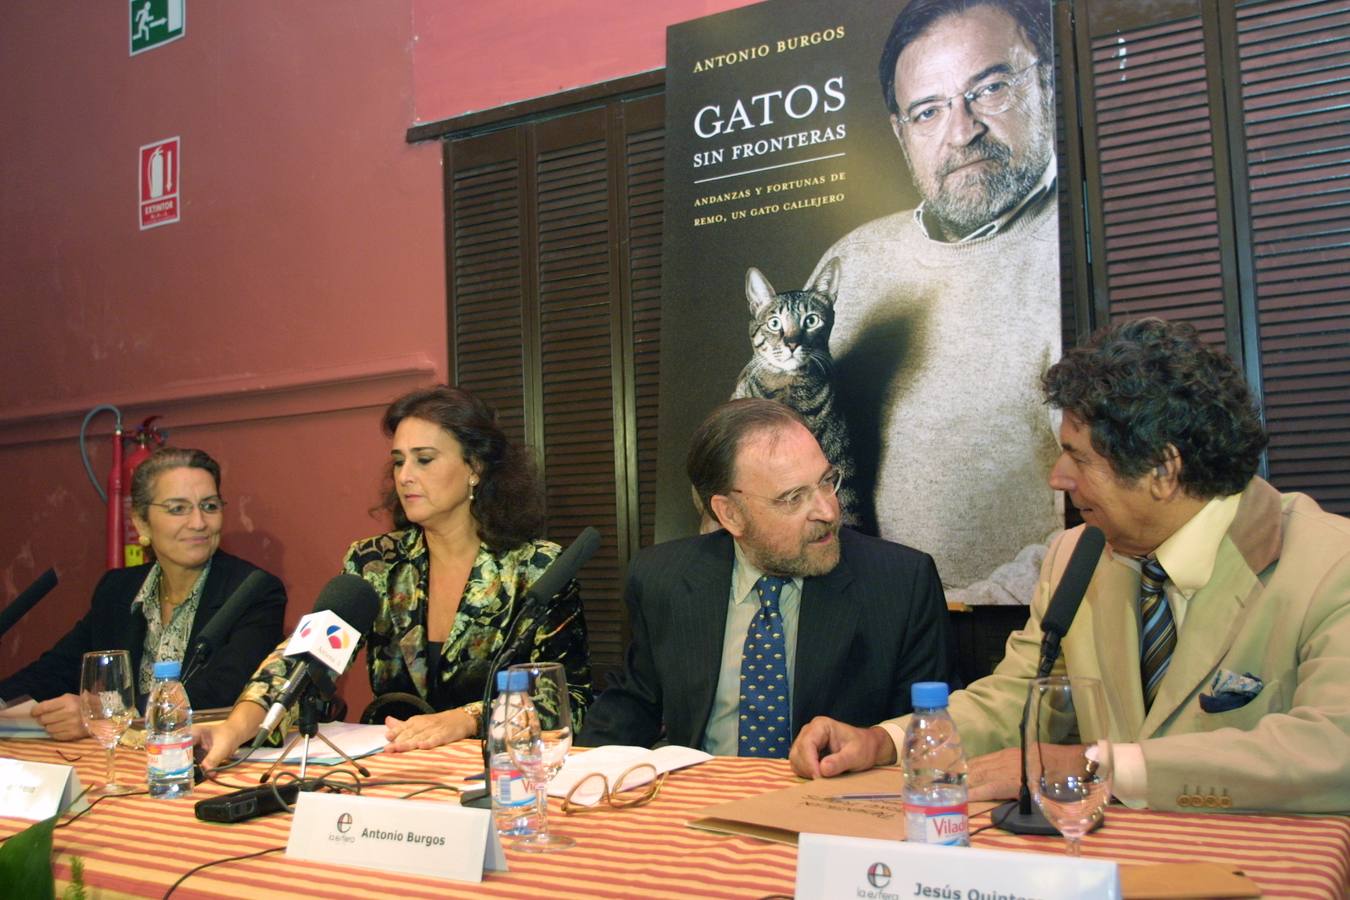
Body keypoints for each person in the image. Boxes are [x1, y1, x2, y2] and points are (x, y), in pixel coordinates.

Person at [790, 318, 1350, 814]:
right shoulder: (1075, 556)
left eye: (1078, 457)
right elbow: (1014, 700)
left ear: (1162, 469)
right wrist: (888, 742)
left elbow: (1332, 749)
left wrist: (1097, 766)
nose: (1058, 477)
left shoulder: (1331, 564)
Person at [197, 385, 592, 768]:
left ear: (474, 467)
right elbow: (305, 660)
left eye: (424, 459)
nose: (404, 476)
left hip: (499, 776)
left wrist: (467, 719)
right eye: (399, 460)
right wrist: (235, 727)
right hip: (392, 769)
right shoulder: (375, 563)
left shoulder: (538, 568)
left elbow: (569, 700)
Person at [809, 0, 1061, 599]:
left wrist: (950, 611)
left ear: (1047, 83)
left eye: (990, 88)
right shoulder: (854, 261)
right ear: (900, 133)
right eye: (928, 111)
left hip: (1027, 637)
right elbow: (751, 443)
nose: (962, 129)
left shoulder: (1089, 248)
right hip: (860, 635)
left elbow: (1124, 510)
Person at [577, 398, 952, 756]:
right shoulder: (664, 579)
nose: (826, 510)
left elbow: (930, 731)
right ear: (731, 515)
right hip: (702, 803)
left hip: (832, 806)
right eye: (793, 498)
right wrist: (574, 776)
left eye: (826, 481)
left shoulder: (900, 582)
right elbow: (632, 706)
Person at [0, 447, 286, 740]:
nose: (199, 522)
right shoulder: (117, 589)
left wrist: (104, 714)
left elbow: (223, 692)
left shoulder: (253, 590)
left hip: (194, 760)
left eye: (210, 506)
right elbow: (57, 669)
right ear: (141, 522)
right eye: (178, 508)